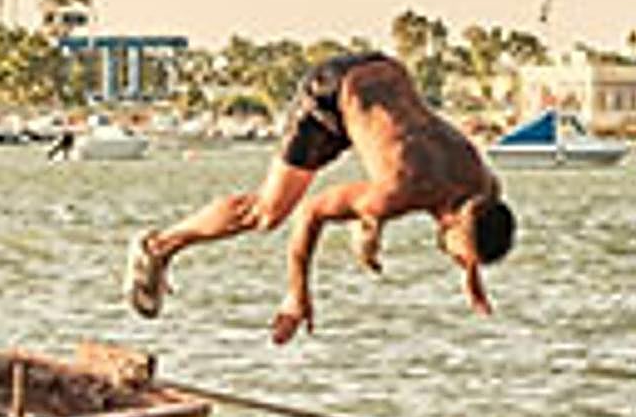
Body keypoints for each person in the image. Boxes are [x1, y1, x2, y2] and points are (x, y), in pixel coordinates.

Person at [124, 52, 515, 345]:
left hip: (382, 78)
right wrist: (297, 295)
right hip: (331, 97)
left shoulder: (482, 182)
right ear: (452, 222)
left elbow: (465, 223)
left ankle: (366, 223)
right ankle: (157, 246)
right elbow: (311, 213)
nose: (458, 261)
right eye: (462, 257)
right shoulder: (400, 188)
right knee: (266, 212)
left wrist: (470, 274)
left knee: (377, 200)